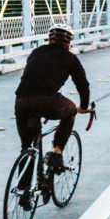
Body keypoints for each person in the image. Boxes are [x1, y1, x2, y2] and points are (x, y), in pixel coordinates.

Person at [14, 23, 92, 207]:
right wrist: (83, 106)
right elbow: (83, 84)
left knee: (27, 147)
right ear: (69, 43)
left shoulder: (37, 52)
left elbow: (36, 77)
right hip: (49, 101)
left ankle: (23, 191)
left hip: (22, 101)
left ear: (49, 39)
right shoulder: (70, 58)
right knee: (71, 109)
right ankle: (57, 152)